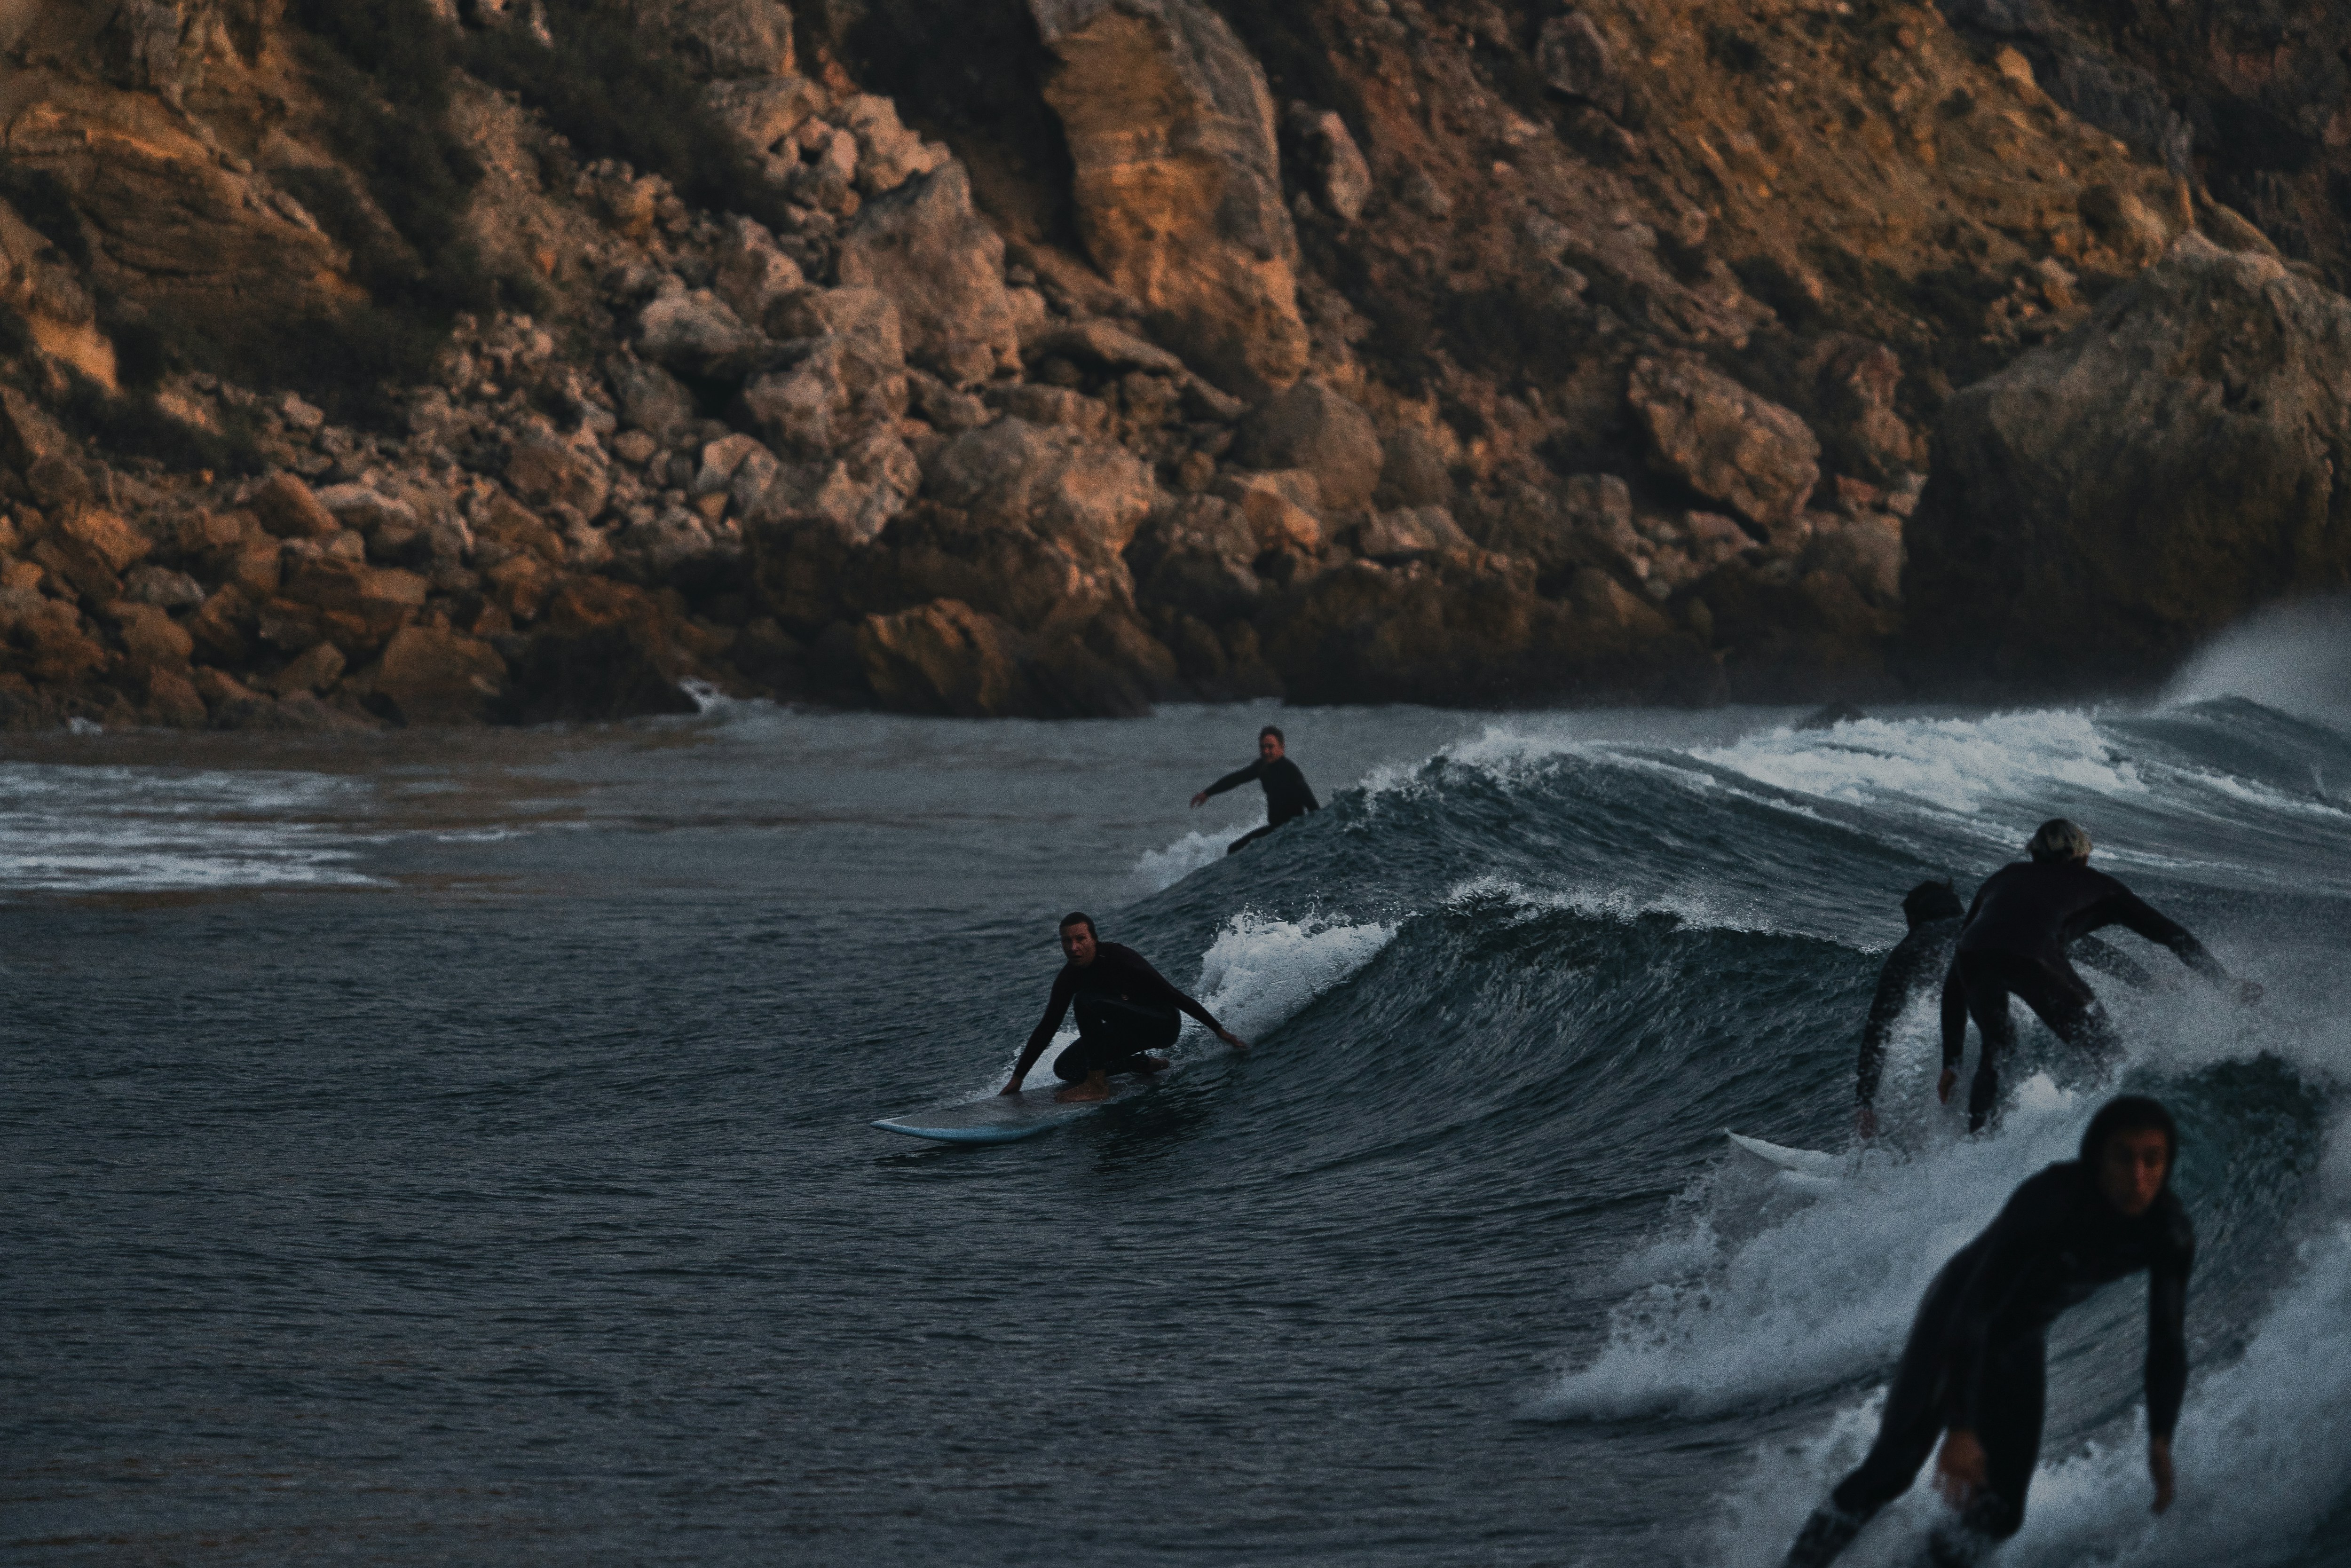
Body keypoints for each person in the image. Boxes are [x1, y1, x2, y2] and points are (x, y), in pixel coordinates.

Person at [1782, 1095, 2193, 1568]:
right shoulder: (2049, 1199)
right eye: (2123, 1158)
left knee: (1999, 1514)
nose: (2137, 1178)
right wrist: (1960, 1426)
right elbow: (1975, 1308)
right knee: (1892, 1469)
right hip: (1957, 1316)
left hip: (2018, 1341)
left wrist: (2160, 1436)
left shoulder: (2168, 1232)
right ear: (2098, 1156)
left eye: (2152, 1160)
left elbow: (2166, 1341)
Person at [1939, 819, 2258, 1133]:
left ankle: (1977, 1143)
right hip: (2034, 958)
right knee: (2107, 1051)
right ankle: (2119, 1137)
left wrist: (1951, 1062)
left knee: (1997, 1048)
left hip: (1972, 955)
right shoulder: (2101, 887)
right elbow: (2171, 935)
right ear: (2084, 857)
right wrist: (2225, 984)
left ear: (2033, 854)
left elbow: (1957, 972)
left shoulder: (2004, 877)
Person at [1855, 878, 2153, 1138]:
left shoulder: (1913, 947)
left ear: (1913, 920)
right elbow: (2086, 948)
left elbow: (1879, 1026)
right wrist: (2144, 980)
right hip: (2039, 1003)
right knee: (2105, 1058)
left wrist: (1866, 1101)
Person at [1001, 913, 1250, 1103]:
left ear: (1094, 940)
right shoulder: (1069, 977)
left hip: (1161, 1023)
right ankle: (1140, 1064)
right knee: (1065, 1068)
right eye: (1067, 941)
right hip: (1127, 1031)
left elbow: (1174, 995)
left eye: (1080, 939)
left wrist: (1220, 1031)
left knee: (1085, 1000)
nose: (1074, 947)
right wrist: (1018, 1078)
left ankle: (1097, 1085)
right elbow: (1048, 1025)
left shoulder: (1120, 959)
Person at [1191, 725, 1320, 854]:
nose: (1266, 751)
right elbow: (1237, 778)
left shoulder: (1291, 773)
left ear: (1282, 747)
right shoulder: (1262, 767)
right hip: (1275, 830)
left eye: (1270, 747)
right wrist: (1208, 793)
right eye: (1263, 747)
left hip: (1291, 831)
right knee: (1234, 849)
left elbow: (1313, 807)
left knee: (1235, 850)